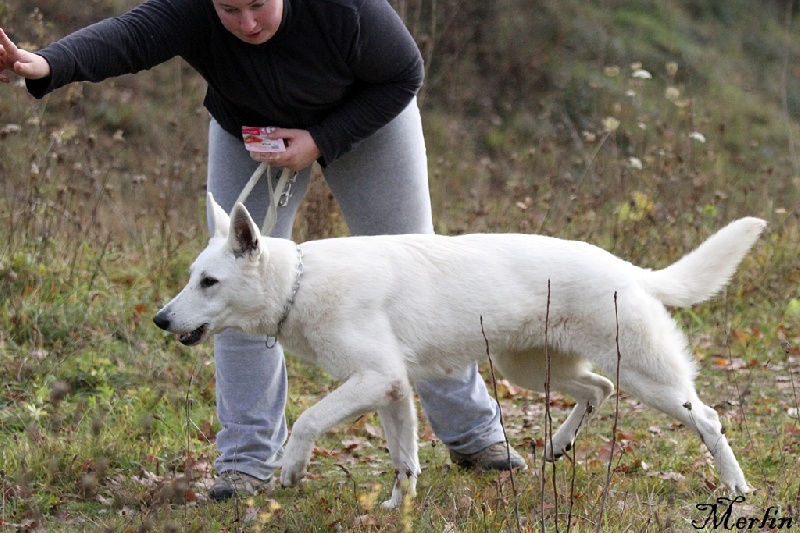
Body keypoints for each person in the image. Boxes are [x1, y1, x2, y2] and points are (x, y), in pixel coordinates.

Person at [0, 0, 525, 501]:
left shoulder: (344, 10)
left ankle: (474, 434)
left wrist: (320, 139)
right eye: (228, 10)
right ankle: (246, 461)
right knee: (234, 289)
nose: (247, 23)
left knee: (423, 281)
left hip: (366, 118)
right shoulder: (193, 10)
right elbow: (129, 37)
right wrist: (46, 63)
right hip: (249, 129)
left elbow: (404, 73)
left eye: (258, 6)